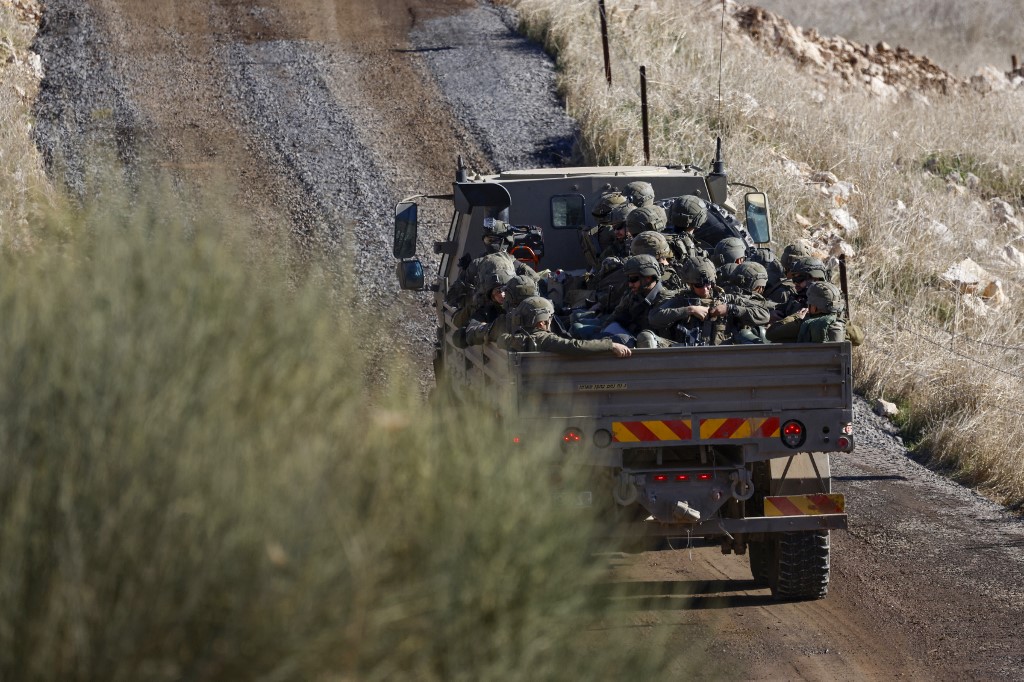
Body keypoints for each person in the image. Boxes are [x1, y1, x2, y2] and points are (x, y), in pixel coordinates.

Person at [503, 297, 632, 357]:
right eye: (549, 319)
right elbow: (576, 346)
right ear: (541, 323)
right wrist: (610, 345)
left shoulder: (513, 337)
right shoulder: (544, 339)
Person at [606, 254, 676, 347]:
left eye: (633, 279)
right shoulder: (633, 296)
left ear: (648, 278)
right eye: (629, 280)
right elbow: (615, 317)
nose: (630, 284)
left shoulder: (666, 299)